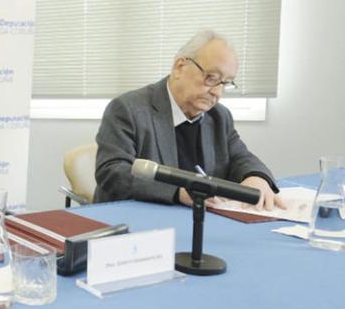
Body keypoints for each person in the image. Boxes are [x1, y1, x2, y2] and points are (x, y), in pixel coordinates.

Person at [93, 30, 284, 210]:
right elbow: (113, 171)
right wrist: (178, 192)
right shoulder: (128, 109)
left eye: (225, 83)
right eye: (211, 78)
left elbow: (241, 158)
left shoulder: (219, 116)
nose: (217, 92)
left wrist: (256, 177)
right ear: (180, 67)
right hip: (136, 222)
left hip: (198, 221)